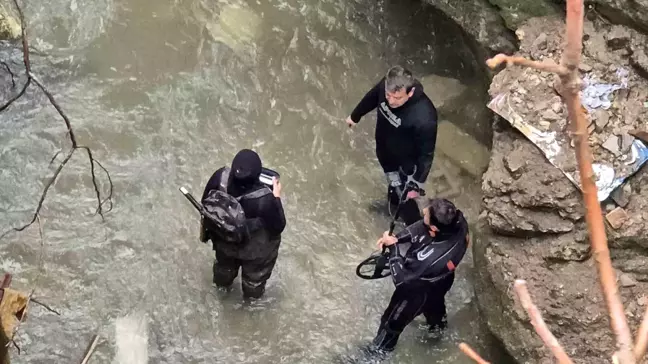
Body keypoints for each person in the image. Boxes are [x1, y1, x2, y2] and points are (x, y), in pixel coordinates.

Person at [371, 198, 469, 352]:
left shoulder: (431, 261)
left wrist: (394, 249)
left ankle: (376, 352)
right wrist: (398, 237)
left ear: (435, 229)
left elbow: (402, 281)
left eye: (426, 215)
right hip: (442, 281)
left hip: (416, 292)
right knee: (436, 305)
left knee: (391, 323)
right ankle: (437, 335)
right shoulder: (458, 221)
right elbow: (423, 227)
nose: (423, 212)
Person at [345, 65, 438, 207]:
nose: (391, 101)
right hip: (384, 148)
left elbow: (426, 155)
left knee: (401, 191)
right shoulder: (387, 85)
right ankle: (392, 198)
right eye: (388, 95)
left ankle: (397, 207)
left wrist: (417, 183)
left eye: (398, 97)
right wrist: (355, 116)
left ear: (410, 92)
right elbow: (372, 97)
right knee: (391, 179)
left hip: (404, 161)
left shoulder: (425, 117)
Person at [200, 149, 286, 299]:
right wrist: (277, 198)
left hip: (224, 241)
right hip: (254, 252)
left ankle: (221, 290)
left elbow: (205, 203)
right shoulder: (264, 200)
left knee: (224, 269)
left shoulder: (220, 177)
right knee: (254, 281)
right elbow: (278, 227)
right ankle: (250, 302)